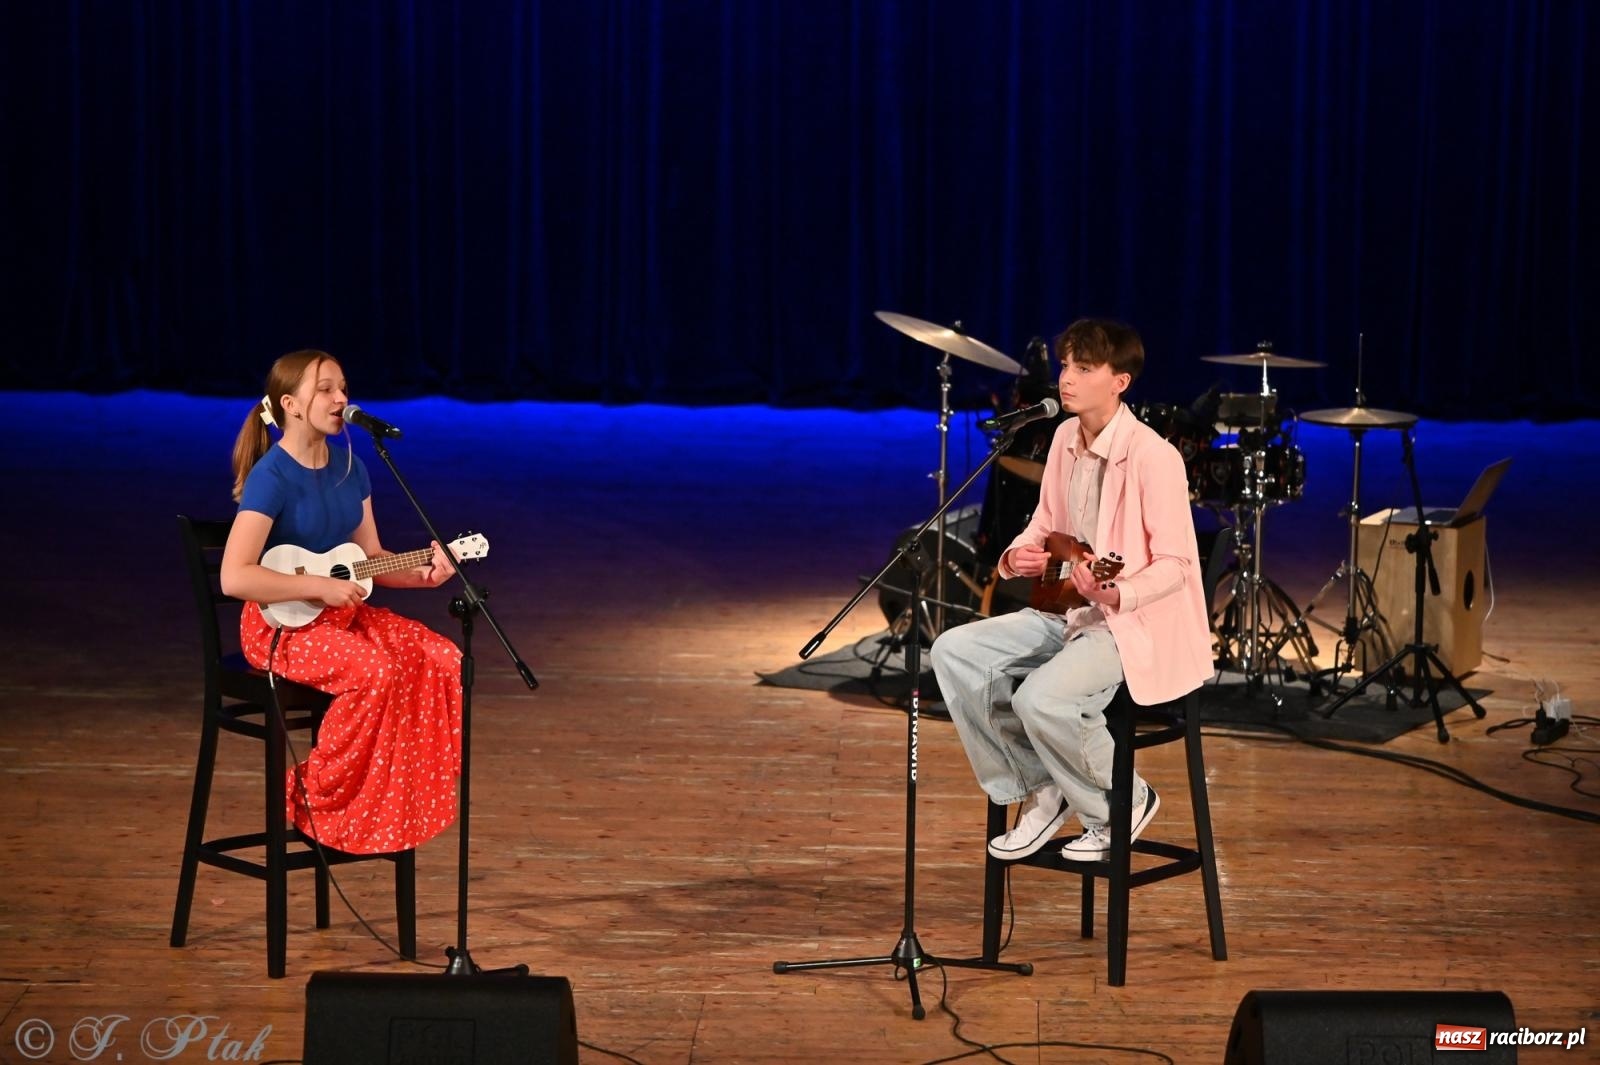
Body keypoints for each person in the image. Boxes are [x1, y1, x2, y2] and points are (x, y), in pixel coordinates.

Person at [930, 319, 1213, 862]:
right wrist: (1018, 556)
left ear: (1120, 382)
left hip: (1134, 626)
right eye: (1066, 365)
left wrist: (1116, 595)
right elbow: (1045, 522)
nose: (1066, 378)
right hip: (1071, 615)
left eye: (1084, 368)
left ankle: (1121, 802)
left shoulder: (1155, 457)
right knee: (953, 652)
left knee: (1040, 697)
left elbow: (1178, 565)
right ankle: (1042, 785)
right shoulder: (1063, 438)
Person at [220, 349, 463, 855]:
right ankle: (315, 794)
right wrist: (316, 588)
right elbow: (234, 576)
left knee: (439, 658)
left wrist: (424, 574)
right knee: (374, 671)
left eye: (344, 387)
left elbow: (370, 559)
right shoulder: (274, 475)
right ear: (291, 403)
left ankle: (386, 802)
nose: (341, 398)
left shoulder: (353, 468)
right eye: (326, 388)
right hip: (282, 628)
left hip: (342, 615)